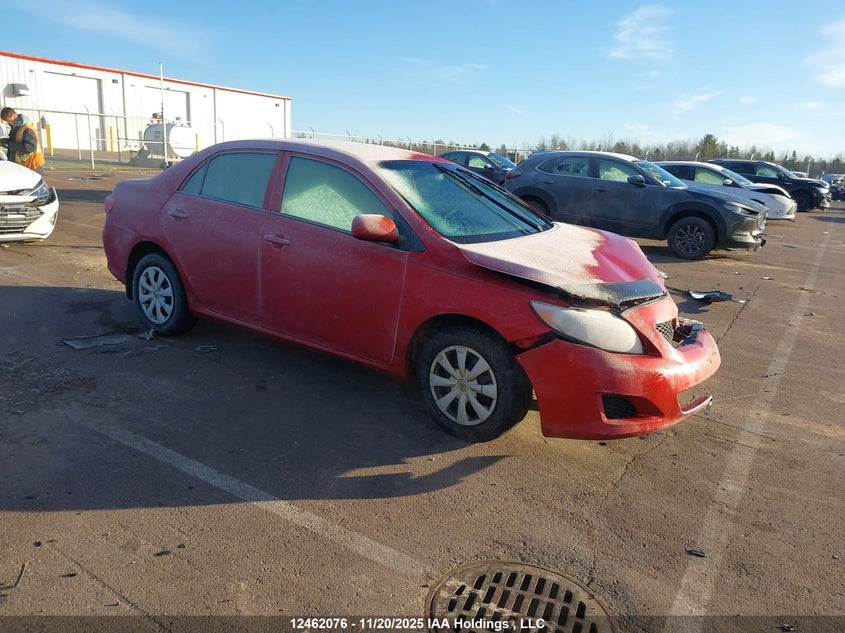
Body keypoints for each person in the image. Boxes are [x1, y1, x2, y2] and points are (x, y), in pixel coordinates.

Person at [0, 107, 45, 174]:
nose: (8, 123)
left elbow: (29, 147)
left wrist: (9, 144)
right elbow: (15, 142)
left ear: (13, 116)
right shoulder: (17, 128)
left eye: (8, 120)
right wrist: (3, 142)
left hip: (33, 164)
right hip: (25, 165)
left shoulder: (27, 128)